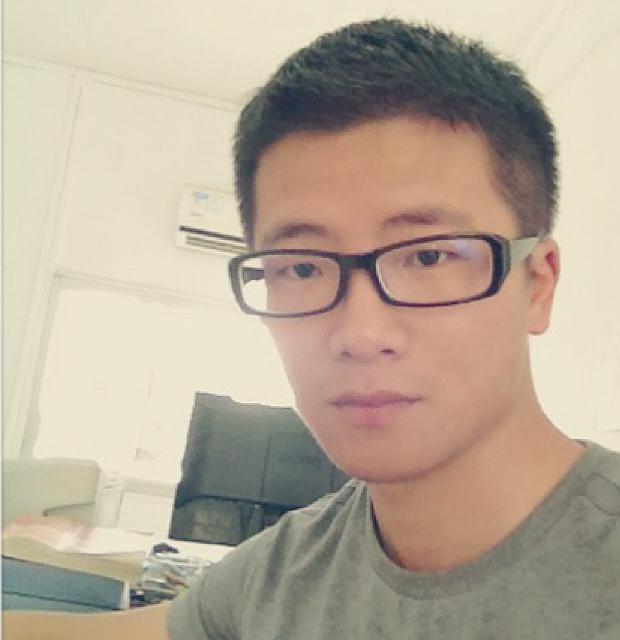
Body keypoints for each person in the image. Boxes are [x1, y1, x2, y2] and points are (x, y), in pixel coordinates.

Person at [4, 17, 619, 640]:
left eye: (428, 256)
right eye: (301, 267)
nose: (359, 333)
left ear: (537, 284)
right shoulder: (286, 571)